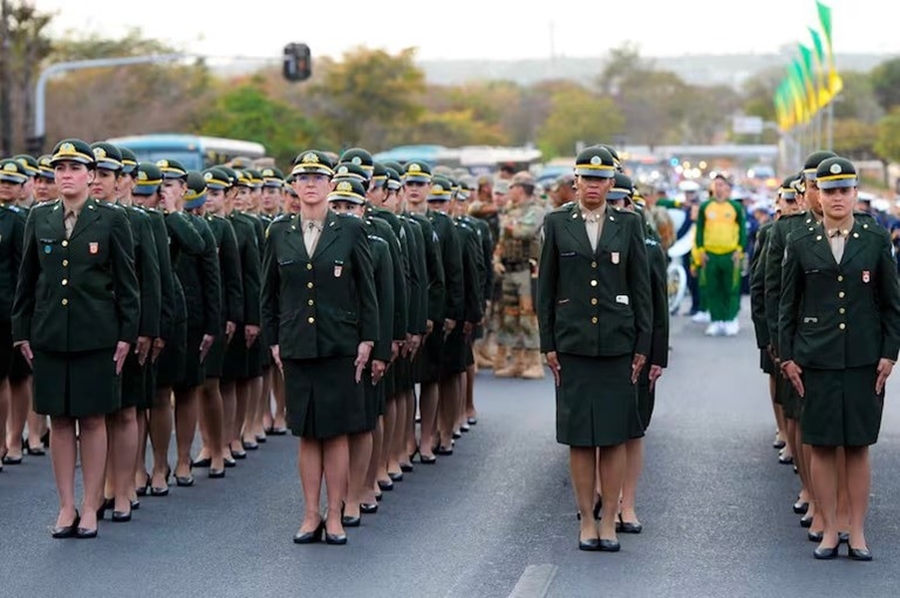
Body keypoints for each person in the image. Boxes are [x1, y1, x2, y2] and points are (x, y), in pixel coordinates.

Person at [12, 138, 140, 539]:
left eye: (74, 169)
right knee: (60, 420)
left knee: (94, 418)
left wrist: (126, 335)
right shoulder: (40, 217)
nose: (65, 176)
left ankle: (90, 505)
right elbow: (27, 280)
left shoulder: (111, 219)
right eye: (60, 169)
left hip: (96, 335)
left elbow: (127, 283)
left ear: (89, 175)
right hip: (49, 334)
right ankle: (66, 505)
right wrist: (22, 332)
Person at [779, 156, 900, 561]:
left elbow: (891, 303)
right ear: (819, 193)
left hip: (864, 359)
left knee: (858, 446)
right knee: (824, 445)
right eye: (829, 190)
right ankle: (830, 529)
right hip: (817, 358)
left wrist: (889, 353)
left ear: (855, 193)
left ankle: (858, 531)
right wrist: (789, 359)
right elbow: (787, 306)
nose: (837, 197)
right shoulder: (800, 240)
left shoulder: (875, 237)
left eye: (844, 190)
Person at [261, 149, 378, 545]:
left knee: (338, 433)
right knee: (307, 433)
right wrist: (273, 340)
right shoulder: (279, 232)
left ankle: (335, 513)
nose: (310, 185)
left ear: (330, 185)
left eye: (317, 178)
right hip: (297, 344)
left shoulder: (350, 230)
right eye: (303, 178)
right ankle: (310, 514)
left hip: (339, 344)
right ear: (293, 186)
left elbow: (366, 290)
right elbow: (269, 293)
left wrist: (367, 339)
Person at [537, 146, 651, 552]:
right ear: (576, 181)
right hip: (574, 345)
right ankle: (586, 517)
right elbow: (546, 289)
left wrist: (643, 344)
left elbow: (641, 289)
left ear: (611, 183)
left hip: (618, 344)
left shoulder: (629, 223)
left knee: (615, 436)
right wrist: (547, 343)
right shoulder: (556, 223)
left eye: (602, 179)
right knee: (581, 438)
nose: (594, 186)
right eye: (587, 178)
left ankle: (609, 519)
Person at [89, 142, 161, 521]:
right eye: (95, 174)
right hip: (95, 329)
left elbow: (151, 280)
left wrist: (147, 330)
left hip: (128, 329)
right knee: (97, 414)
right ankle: (99, 488)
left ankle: (125, 486)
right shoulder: (83, 217)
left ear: (121, 181)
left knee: (126, 411)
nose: (98, 181)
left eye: (105, 175)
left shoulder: (139, 221)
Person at [493, 171, 546, 378]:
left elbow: (525, 232)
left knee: (527, 317)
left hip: (527, 270)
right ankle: (517, 361)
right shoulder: (511, 211)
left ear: (521, 189)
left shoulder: (536, 210)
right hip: (508, 269)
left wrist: (509, 225)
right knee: (510, 317)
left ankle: (534, 363)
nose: (509, 192)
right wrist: (497, 259)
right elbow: (502, 239)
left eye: (512, 187)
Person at [0, 159, 27, 471]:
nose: (5, 187)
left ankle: (10, 440)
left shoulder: (17, 221)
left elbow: (23, 271)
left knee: (5, 378)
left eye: (11, 182)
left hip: (5, 312)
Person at [694, 174, 746, 336]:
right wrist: (701, 251)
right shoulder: (705, 207)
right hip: (711, 255)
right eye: (715, 185)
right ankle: (716, 320)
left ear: (727, 188)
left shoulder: (735, 207)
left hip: (730, 255)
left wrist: (740, 250)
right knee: (713, 288)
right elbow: (700, 230)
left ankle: (730, 319)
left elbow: (743, 231)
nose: (718, 188)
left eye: (721, 185)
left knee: (730, 287)